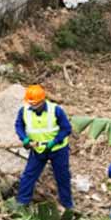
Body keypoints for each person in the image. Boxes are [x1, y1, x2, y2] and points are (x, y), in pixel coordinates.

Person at [14, 85, 74, 213]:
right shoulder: (24, 111)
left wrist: (55, 141)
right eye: (30, 103)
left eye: (35, 104)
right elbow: (19, 125)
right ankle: (22, 203)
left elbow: (66, 129)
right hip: (38, 149)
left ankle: (67, 205)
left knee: (62, 177)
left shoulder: (56, 110)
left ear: (42, 100)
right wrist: (24, 139)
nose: (32, 106)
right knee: (29, 175)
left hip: (57, 149)